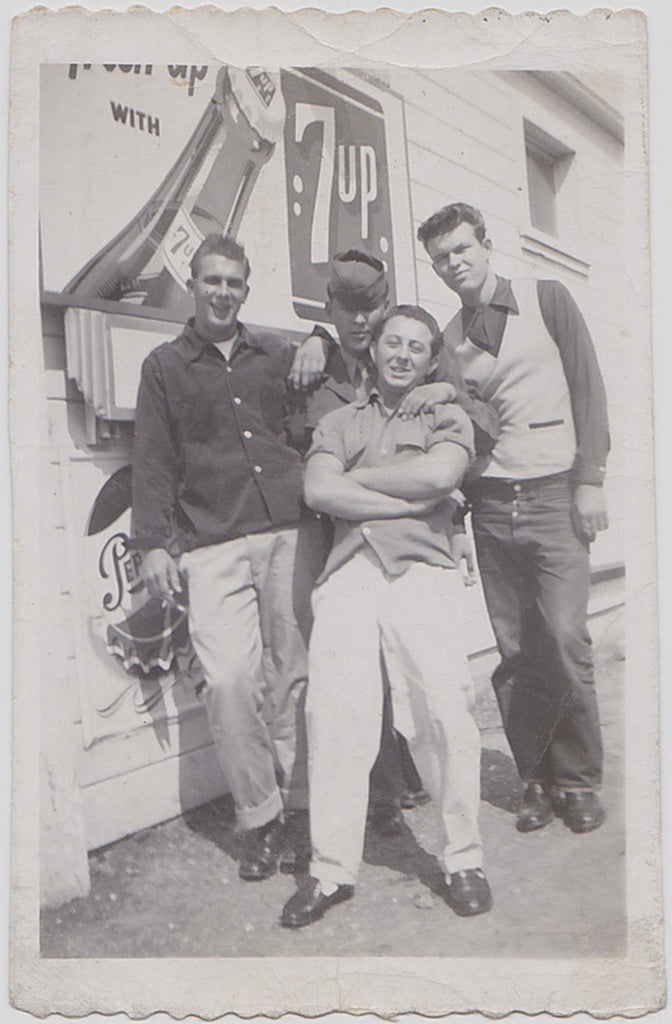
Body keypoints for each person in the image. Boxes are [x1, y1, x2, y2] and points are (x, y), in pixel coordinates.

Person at [280, 305, 492, 928]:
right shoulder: (339, 420)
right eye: (391, 342)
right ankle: (331, 869)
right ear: (372, 351)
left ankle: (463, 858)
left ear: (431, 358)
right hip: (349, 570)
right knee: (336, 710)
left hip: (422, 569)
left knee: (443, 706)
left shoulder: (445, 412)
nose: (401, 354)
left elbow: (444, 471)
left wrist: (362, 484)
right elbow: (320, 491)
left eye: (416, 347)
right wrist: (415, 500)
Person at [414, 202, 610, 834]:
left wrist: (590, 481)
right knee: (516, 646)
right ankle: (535, 778)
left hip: (556, 495)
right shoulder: (446, 340)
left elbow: (589, 390)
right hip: (493, 505)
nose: (453, 265)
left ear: (487, 245)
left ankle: (577, 779)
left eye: (461, 251)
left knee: (564, 639)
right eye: (441, 259)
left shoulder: (546, 299)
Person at [131, 233, 309, 881]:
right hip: (211, 544)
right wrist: (152, 543)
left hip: (287, 534)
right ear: (193, 284)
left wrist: (315, 338)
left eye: (234, 282)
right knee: (231, 680)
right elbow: (150, 463)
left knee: (292, 679)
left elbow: (310, 421)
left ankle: (306, 809)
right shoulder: (164, 366)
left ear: (246, 287)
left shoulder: (275, 356)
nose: (223, 293)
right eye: (212, 281)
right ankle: (262, 817)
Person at [288, 249, 431, 824]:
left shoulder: (401, 365)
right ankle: (375, 785)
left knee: (395, 648)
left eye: (371, 306)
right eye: (346, 309)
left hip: (392, 525)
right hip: (324, 531)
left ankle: (397, 769)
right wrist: (313, 340)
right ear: (329, 308)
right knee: (338, 653)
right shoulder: (304, 367)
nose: (360, 320)